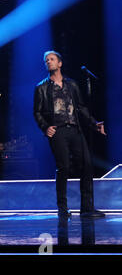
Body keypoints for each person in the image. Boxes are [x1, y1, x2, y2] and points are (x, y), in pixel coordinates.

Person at [33, 50, 106, 218]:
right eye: (46, 60)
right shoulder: (41, 87)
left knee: (87, 165)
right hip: (57, 132)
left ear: (60, 63)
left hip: (75, 129)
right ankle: (62, 208)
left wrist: (94, 124)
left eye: (52, 59)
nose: (48, 62)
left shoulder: (72, 85)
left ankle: (87, 208)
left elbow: (80, 108)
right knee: (63, 167)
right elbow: (36, 112)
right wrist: (45, 127)